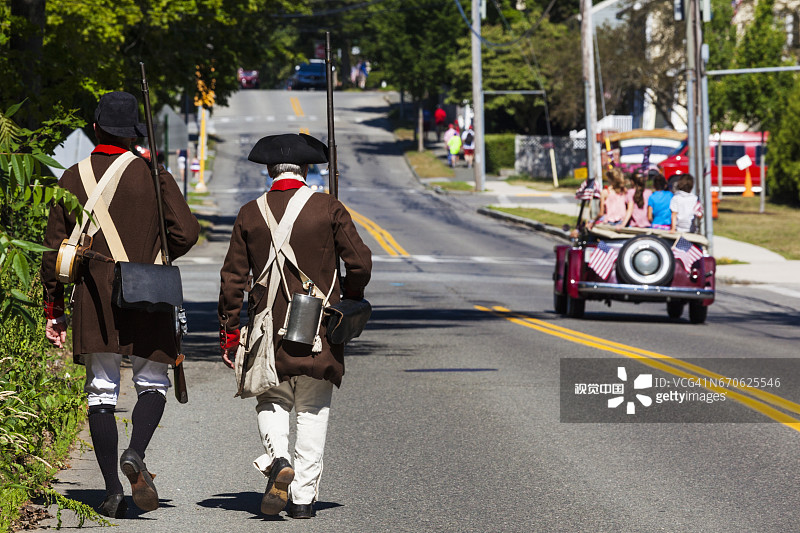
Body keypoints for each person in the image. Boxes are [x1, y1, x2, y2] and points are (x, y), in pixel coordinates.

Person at [41, 91, 200, 519]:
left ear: (95, 129)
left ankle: (112, 490)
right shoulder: (152, 174)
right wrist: (155, 255)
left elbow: (53, 251)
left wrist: (52, 306)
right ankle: (135, 452)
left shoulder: (72, 177)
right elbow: (187, 232)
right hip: (147, 291)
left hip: (93, 295)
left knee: (102, 393)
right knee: (152, 382)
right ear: (134, 134)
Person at [218, 133, 372, 519]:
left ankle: (278, 459)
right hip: (320, 326)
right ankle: (302, 499)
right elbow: (360, 264)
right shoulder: (328, 208)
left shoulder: (250, 213)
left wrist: (231, 332)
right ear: (306, 170)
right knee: (313, 410)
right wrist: (347, 297)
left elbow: (232, 280)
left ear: (270, 172)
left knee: (271, 398)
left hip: (268, 331)